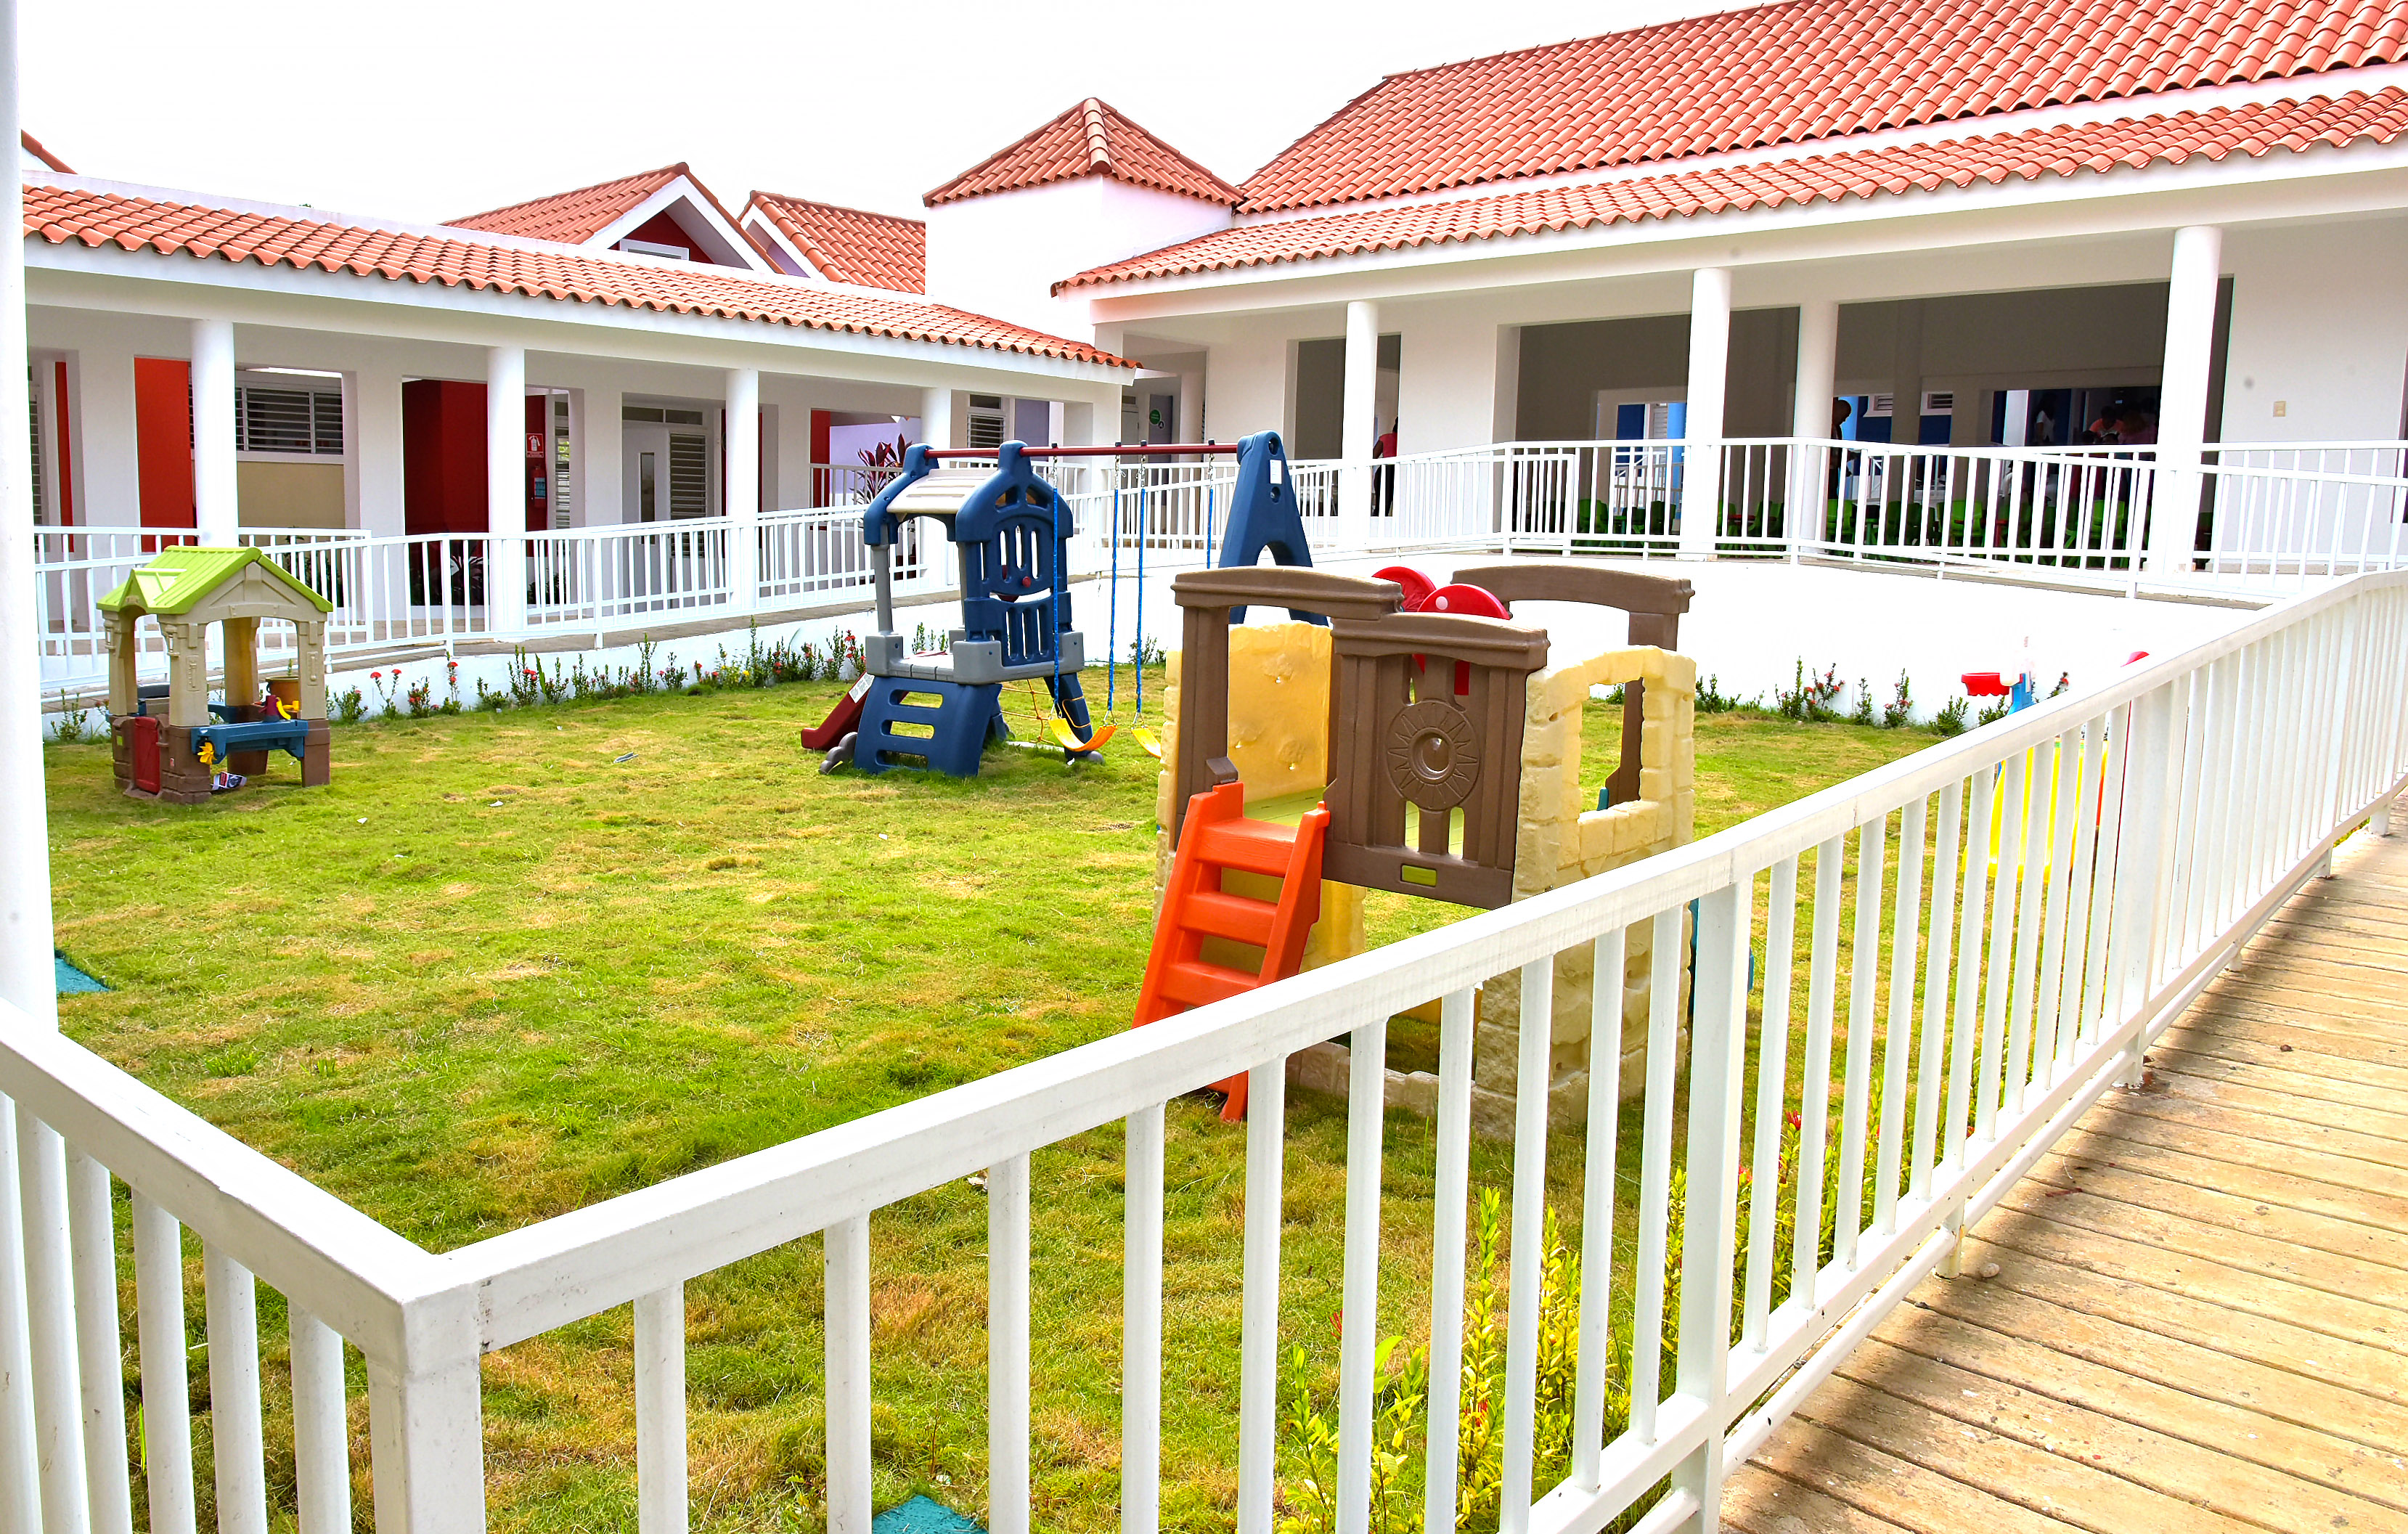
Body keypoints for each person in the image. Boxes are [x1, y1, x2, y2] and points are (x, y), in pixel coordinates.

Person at [1374, 419, 1397, 515]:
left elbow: (1373, 456)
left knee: (1381, 505)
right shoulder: (1404, 439)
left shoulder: (1385, 438)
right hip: (1398, 470)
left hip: (1385, 470)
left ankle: (1376, 526)